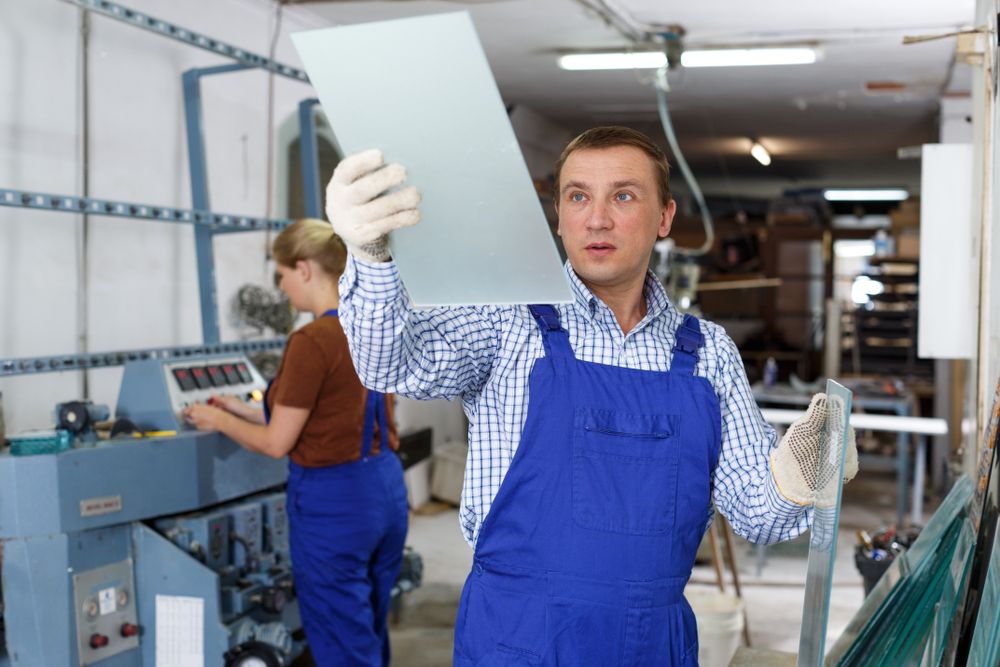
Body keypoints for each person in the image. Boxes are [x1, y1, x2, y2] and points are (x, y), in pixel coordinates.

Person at [326, 126, 858, 665]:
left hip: (653, 645)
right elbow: (389, 364)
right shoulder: (509, 321)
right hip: (517, 639)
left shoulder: (708, 355)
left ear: (666, 217)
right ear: (559, 215)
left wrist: (800, 475)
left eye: (623, 196)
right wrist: (370, 256)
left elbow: (756, 515)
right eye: (579, 196)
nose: (597, 218)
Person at [183, 218, 408, 667]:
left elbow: (275, 442)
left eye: (281, 275)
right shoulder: (368, 324)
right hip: (384, 489)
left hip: (334, 504)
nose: (282, 288)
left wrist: (214, 420)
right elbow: (328, 412)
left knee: (342, 641)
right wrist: (239, 409)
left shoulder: (311, 339)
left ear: (304, 268)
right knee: (366, 626)